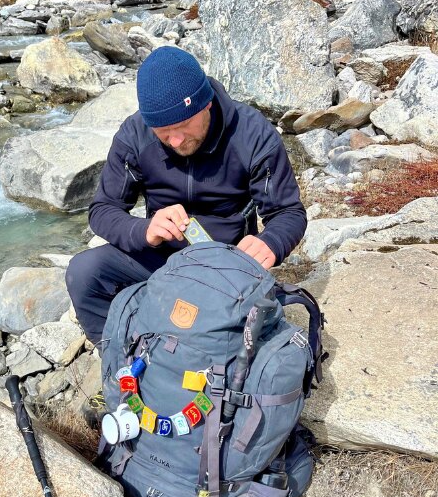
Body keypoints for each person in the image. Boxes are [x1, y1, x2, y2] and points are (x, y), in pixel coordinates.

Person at [66, 46, 306, 347]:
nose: (175, 140)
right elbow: (103, 209)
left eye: (183, 126)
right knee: (84, 272)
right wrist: (143, 230)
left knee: (219, 339)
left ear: (205, 105)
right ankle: (118, 361)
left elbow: (288, 212)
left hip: (226, 267)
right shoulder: (135, 134)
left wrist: (270, 243)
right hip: (160, 260)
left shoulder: (252, 134)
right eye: (163, 132)